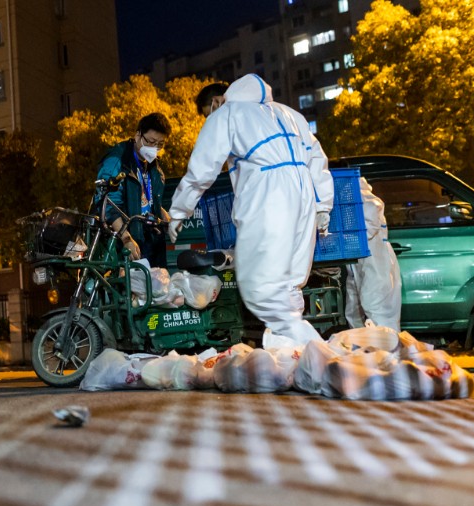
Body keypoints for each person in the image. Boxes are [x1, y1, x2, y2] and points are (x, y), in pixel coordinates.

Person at [168, 74, 335, 345]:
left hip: (268, 192)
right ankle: (294, 356)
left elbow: (202, 169)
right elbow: (318, 159)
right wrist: (322, 206)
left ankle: (309, 345)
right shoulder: (290, 114)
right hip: (303, 192)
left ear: (216, 101)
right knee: (290, 281)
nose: (208, 117)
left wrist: (179, 211)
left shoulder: (227, 114)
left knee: (259, 285)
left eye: (206, 112)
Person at [95, 112, 172, 267]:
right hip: (123, 244)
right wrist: (126, 239)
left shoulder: (153, 167)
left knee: (156, 288)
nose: (154, 148)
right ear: (138, 136)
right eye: (150, 142)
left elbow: (145, 197)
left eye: (160, 144)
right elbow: (107, 203)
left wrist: (160, 211)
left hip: (150, 241)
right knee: (127, 289)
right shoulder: (117, 160)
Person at [345, 177, 402, 331]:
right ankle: (366, 350)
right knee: (355, 311)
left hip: (375, 260)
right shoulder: (356, 197)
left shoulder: (363, 198)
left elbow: (369, 227)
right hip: (363, 260)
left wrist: (345, 238)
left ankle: (387, 351)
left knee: (377, 308)